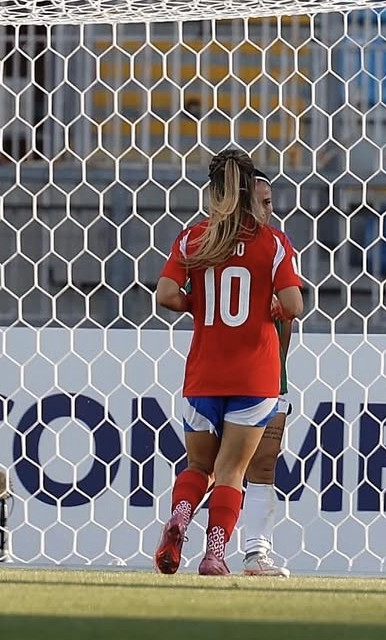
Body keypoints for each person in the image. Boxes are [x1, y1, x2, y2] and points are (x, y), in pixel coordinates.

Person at [154, 149, 304, 576]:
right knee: (232, 471)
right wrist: (272, 307)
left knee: (198, 466)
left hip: (204, 372)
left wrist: (197, 304)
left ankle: (180, 515)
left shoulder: (194, 238)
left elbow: (165, 294)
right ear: (248, 192)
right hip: (254, 376)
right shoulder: (272, 243)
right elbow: (294, 305)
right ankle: (214, 554)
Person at [236, 169, 297, 577]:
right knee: (219, 467)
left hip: (263, 373)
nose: (266, 210)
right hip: (229, 372)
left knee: (261, 466)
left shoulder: (278, 246)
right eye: (259, 202)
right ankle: (214, 546)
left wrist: (278, 367)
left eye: (270, 202)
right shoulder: (215, 243)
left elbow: (288, 316)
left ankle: (255, 552)